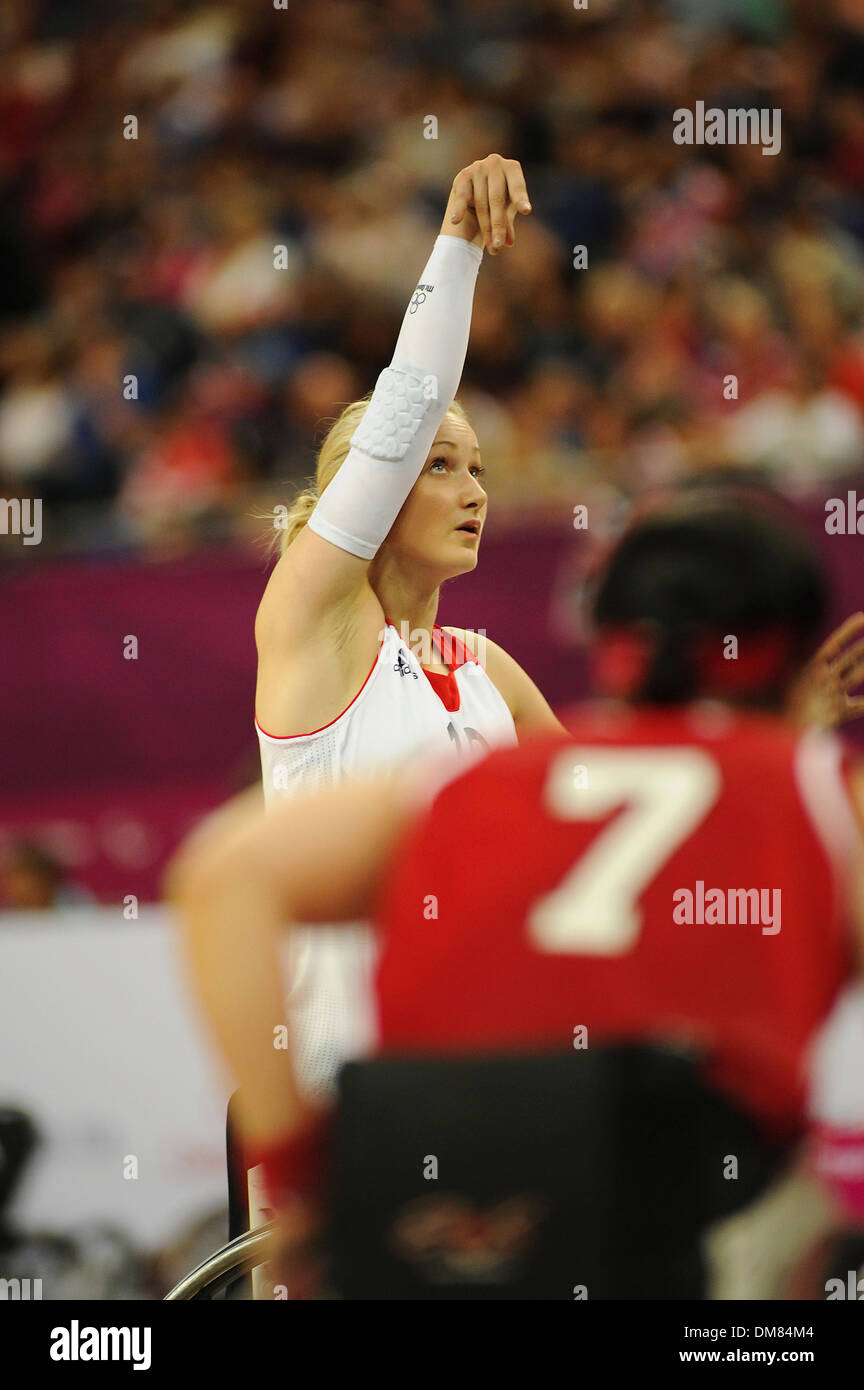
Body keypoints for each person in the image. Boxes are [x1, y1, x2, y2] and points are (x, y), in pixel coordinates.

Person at [170, 488, 864, 1296]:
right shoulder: (814, 790)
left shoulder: (465, 784)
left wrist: (297, 1171)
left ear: (606, 638)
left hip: (440, 1183)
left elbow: (221, 878)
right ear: (783, 645)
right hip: (676, 1181)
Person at [253, 154, 563, 1113]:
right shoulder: (311, 628)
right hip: (356, 1105)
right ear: (374, 498)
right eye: (441, 467)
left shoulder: (491, 673)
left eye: (477, 469)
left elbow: (605, 820)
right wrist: (459, 252)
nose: (474, 491)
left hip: (504, 1075)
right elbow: (400, 415)